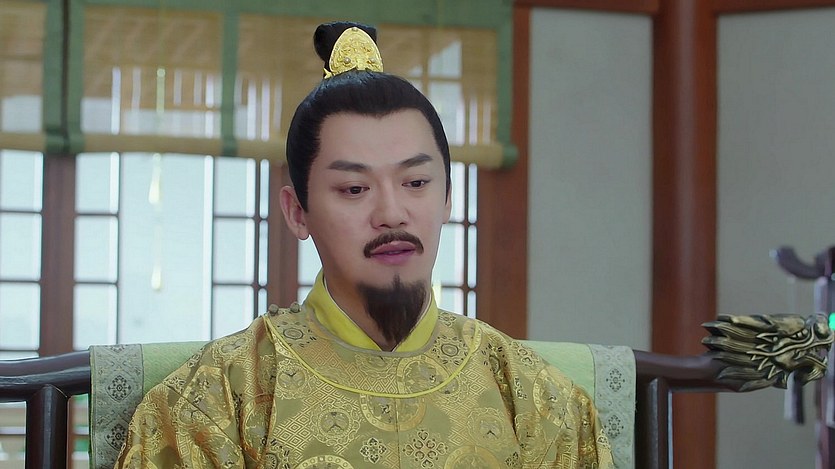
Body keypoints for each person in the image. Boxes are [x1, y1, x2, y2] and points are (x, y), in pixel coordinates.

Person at [115, 21, 613, 469]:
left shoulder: (536, 399)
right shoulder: (220, 399)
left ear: (447, 199)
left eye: (416, 183)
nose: (391, 213)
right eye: (355, 189)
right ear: (297, 212)